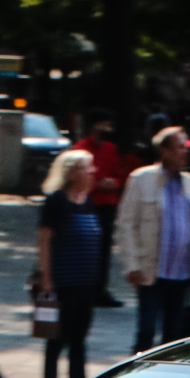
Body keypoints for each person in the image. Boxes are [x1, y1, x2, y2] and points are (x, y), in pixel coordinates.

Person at [119, 126, 190, 351]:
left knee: (173, 336)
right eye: (180, 147)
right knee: (147, 330)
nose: (186, 152)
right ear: (165, 151)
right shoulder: (141, 179)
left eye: (186, 147)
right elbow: (126, 224)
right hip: (152, 271)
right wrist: (132, 264)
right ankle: (136, 376)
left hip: (182, 272)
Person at [33, 149, 105, 378]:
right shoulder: (56, 201)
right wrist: (47, 279)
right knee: (55, 341)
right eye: (88, 167)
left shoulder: (88, 201)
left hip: (84, 285)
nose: (93, 172)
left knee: (78, 340)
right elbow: (44, 240)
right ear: (73, 173)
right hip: (60, 285)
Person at [70, 110, 128, 307]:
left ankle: (100, 289)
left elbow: (119, 174)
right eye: (104, 126)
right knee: (85, 248)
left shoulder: (111, 149)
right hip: (88, 204)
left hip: (107, 204)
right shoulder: (81, 149)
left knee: (104, 249)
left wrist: (115, 183)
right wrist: (97, 185)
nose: (107, 130)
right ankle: (83, 288)